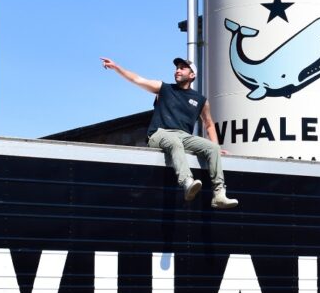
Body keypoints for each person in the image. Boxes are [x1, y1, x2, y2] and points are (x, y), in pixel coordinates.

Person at [101, 57, 238, 209]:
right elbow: (137, 79)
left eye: (182, 68)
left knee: (212, 149)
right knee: (174, 142)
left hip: (184, 136)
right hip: (159, 133)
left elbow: (209, 124)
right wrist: (117, 67)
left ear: (192, 75)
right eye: (177, 68)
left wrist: (217, 147)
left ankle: (219, 195)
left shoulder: (200, 100)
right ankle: (187, 182)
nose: (177, 70)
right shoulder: (164, 88)